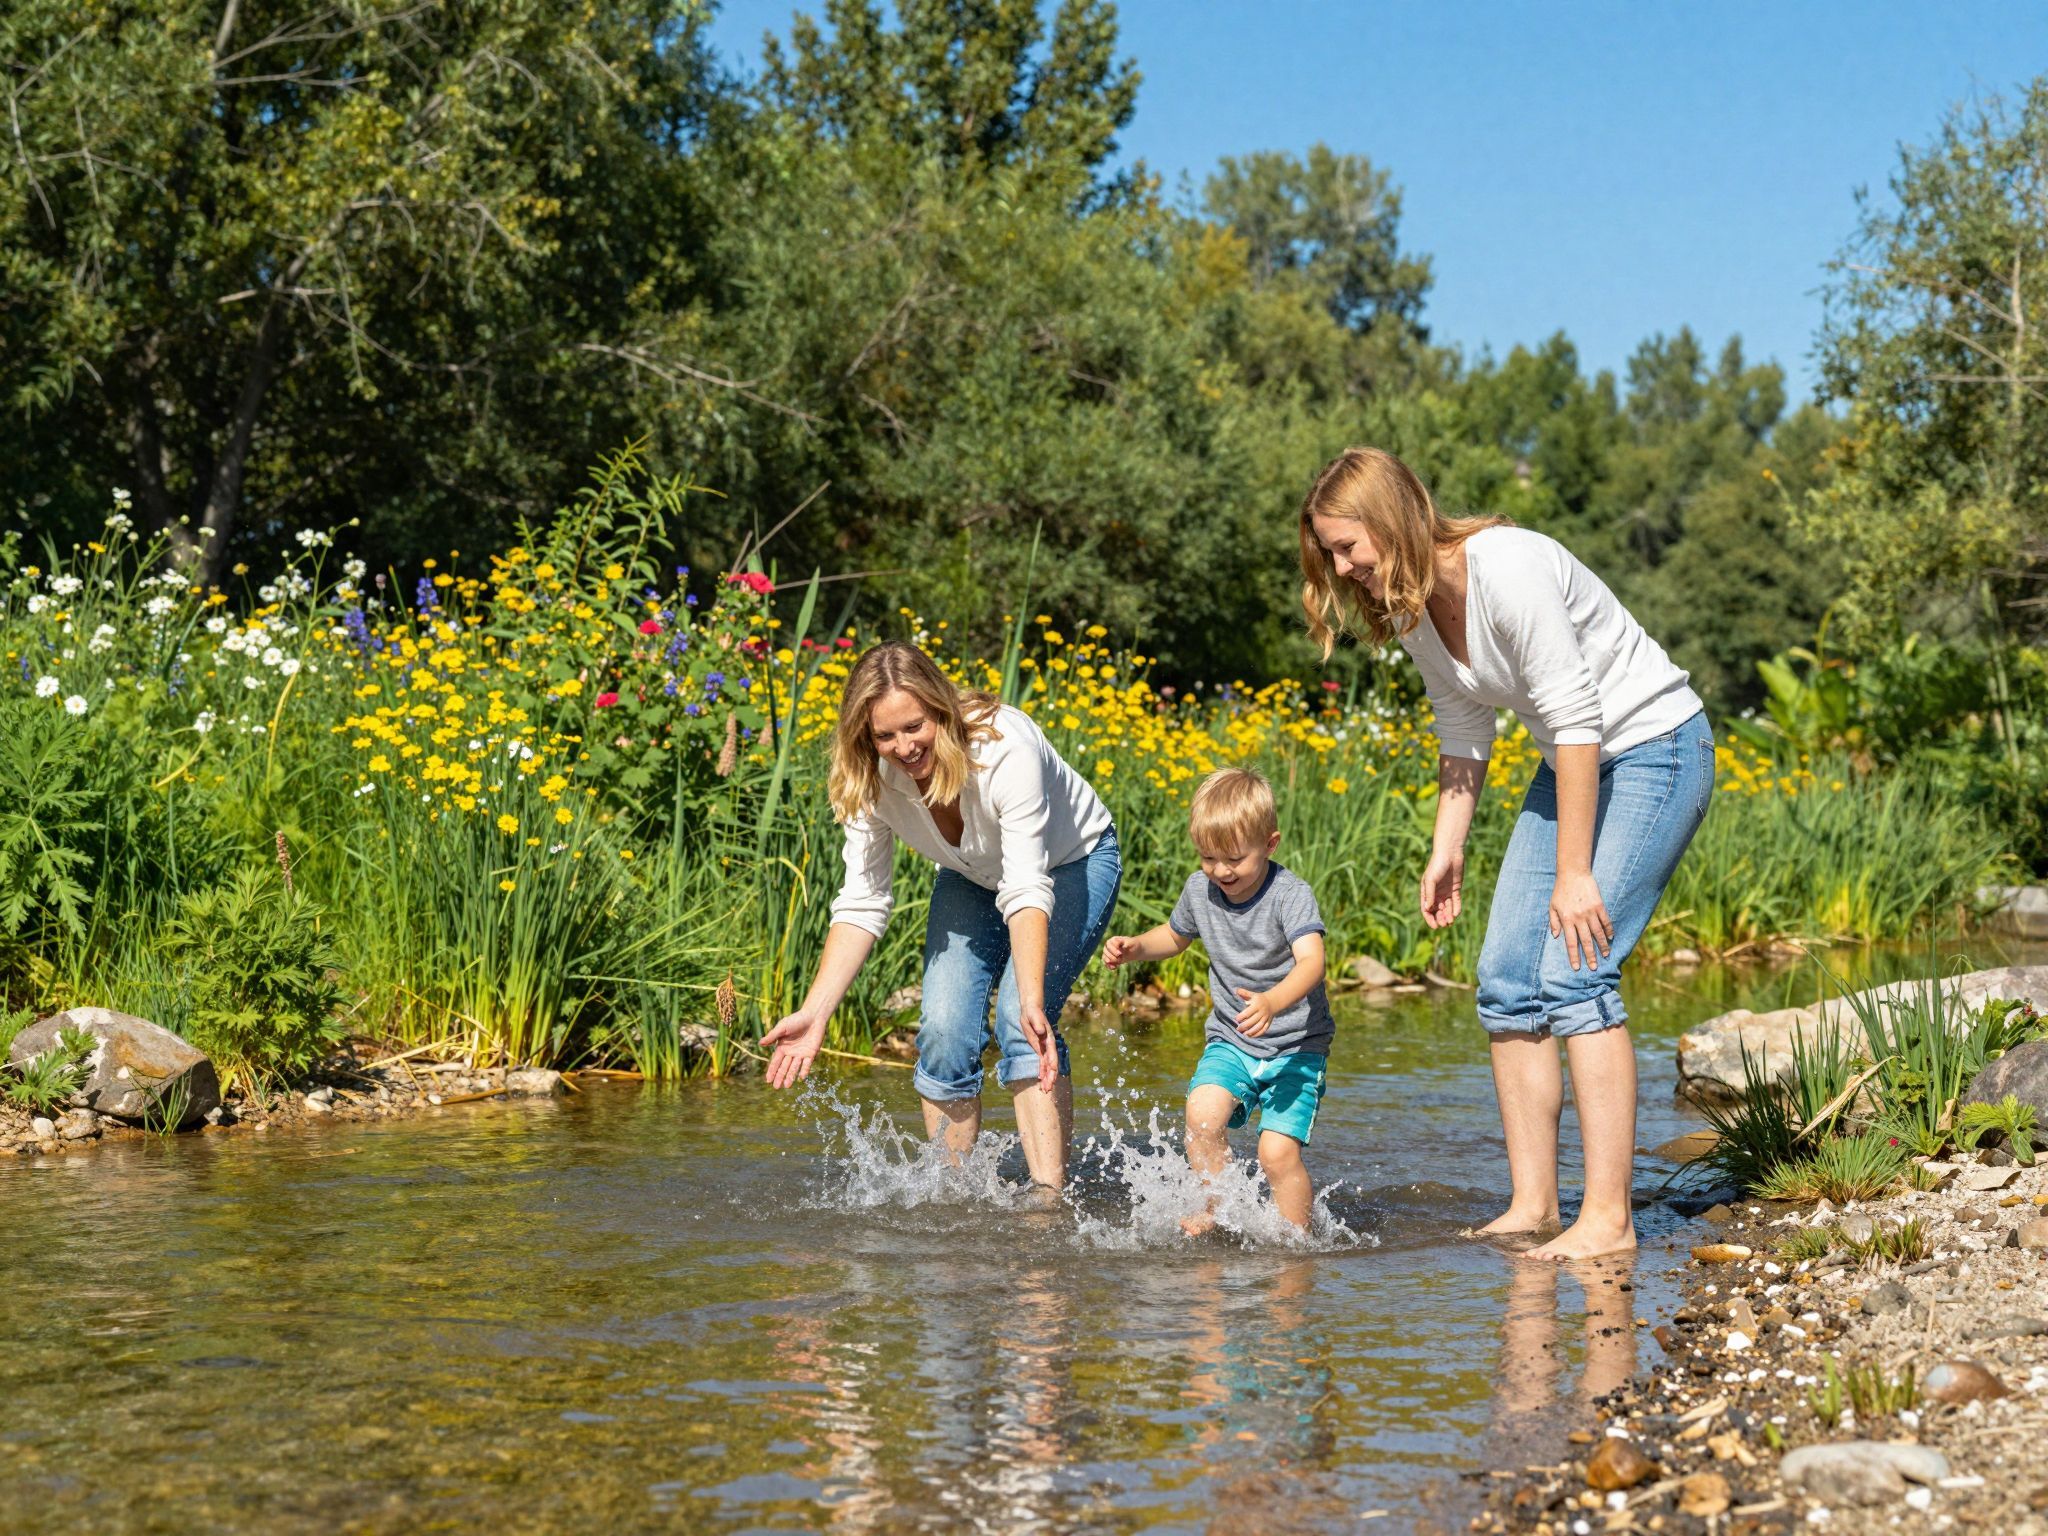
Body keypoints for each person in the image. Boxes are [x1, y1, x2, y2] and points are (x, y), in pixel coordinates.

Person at [1299, 447, 1713, 1261]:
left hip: (1656, 750)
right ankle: (1533, 1206)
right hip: (1572, 762)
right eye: (1330, 553)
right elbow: (1463, 727)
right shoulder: (1412, 608)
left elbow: (1578, 717)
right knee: (1507, 981)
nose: (1342, 569)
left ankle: (1608, 1220)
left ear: (1393, 520)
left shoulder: (1510, 568)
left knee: (1577, 970)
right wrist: (1445, 849)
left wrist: (1574, 873)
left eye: (1348, 547)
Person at [760, 641, 1121, 1198]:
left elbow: (1026, 885)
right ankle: (952, 1201)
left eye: (915, 726)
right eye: (885, 735)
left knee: (1019, 1021)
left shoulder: (1005, 748)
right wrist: (815, 1011)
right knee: (945, 1029)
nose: (904, 747)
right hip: (970, 874)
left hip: (1071, 862)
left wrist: (1031, 999)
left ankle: (1048, 1204)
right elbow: (862, 901)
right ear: (865, 736)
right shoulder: (867, 777)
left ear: (942, 710)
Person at [1102, 768, 1332, 1234]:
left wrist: (1272, 1001)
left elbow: (1313, 963)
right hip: (1231, 1039)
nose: (1221, 871)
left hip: (1296, 1048)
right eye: (1208, 857)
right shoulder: (1199, 890)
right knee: (1202, 1117)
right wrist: (1137, 947)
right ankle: (1218, 1208)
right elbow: (1175, 936)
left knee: (1275, 1153)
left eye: (1234, 858)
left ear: (1270, 844)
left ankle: (1297, 1244)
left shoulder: (1290, 896)